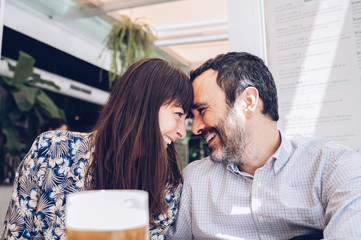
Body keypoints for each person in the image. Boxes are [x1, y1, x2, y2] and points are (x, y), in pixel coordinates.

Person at [167, 52, 361, 239]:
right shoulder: (194, 180)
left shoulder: (333, 166)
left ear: (248, 102)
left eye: (202, 110)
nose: (197, 127)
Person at [1, 58, 193, 240]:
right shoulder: (52, 150)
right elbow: (16, 232)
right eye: (178, 114)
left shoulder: (166, 182)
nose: (182, 132)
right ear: (144, 105)